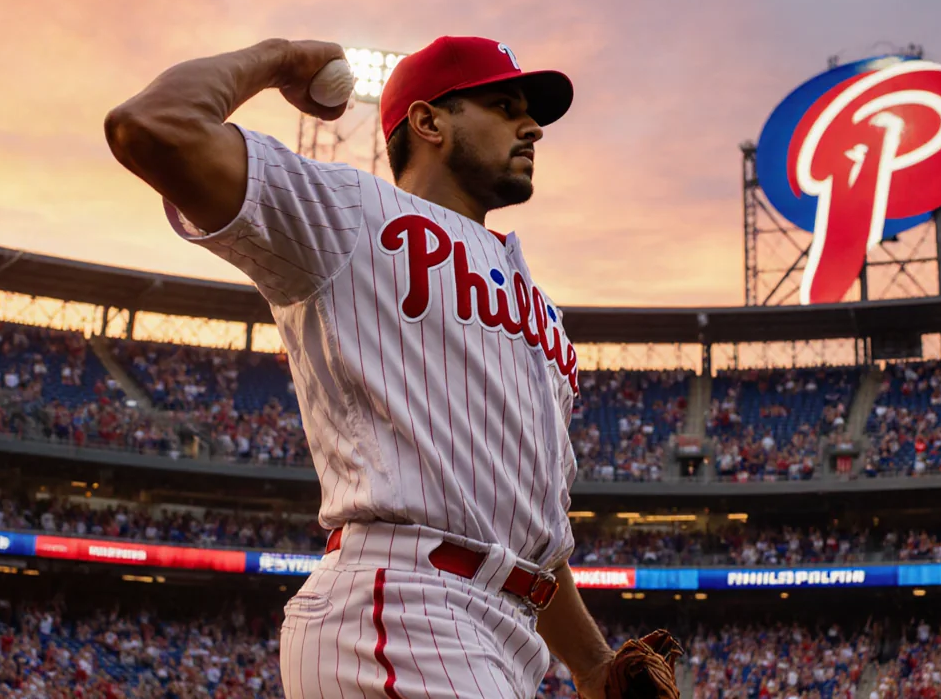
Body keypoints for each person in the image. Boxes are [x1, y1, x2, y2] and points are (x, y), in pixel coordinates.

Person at [105, 36, 618, 698]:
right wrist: (285, 58)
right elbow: (152, 125)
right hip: (402, 605)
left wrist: (594, 665)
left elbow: (530, 537)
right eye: (502, 105)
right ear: (428, 122)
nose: (532, 127)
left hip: (504, 639)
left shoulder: (543, 315)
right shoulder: (352, 215)